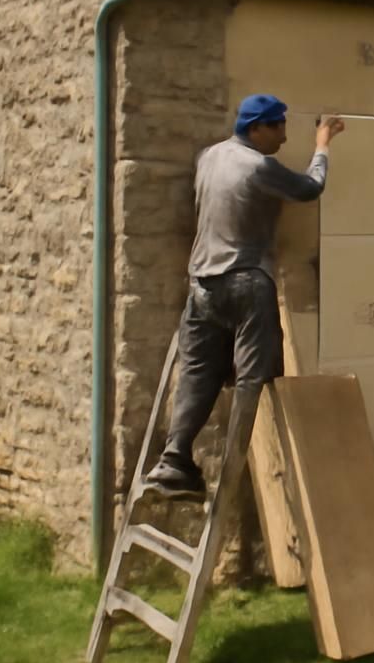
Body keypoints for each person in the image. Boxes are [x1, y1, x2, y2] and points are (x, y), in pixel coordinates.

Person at [145, 93, 345, 500]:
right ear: (257, 128)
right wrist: (323, 143)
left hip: (202, 286)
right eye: (278, 129)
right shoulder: (259, 166)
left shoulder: (209, 157)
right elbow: (310, 188)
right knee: (260, 376)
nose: (284, 139)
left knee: (198, 373)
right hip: (246, 282)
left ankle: (174, 459)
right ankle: (246, 478)